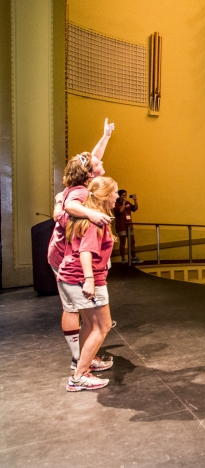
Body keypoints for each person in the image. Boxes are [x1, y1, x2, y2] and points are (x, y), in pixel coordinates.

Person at [49, 120, 115, 371]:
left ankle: (83, 360)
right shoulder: (79, 193)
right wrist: (91, 215)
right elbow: (65, 208)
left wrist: (105, 136)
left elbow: (93, 158)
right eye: (97, 164)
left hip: (68, 254)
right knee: (80, 311)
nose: (100, 162)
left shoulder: (81, 183)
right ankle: (79, 362)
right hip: (66, 256)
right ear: (89, 174)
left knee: (90, 317)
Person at [58, 176, 119, 391]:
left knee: (91, 325)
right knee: (102, 326)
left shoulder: (89, 218)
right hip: (82, 278)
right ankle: (78, 376)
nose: (117, 197)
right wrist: (90, 281)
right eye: (115, 192)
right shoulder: (95, 222)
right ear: (104, 196)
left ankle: (83, 363)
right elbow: (85, 251)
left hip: (72, 277)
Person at [114, 190, 141, 264]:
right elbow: (120, 211)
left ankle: (134, 257)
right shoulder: (116, 203)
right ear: (119, 196)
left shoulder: (128, 203)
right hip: (121, 226)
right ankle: (123, 258)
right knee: (123, 242)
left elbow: (135, 208)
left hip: (129, 225)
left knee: (132, 242)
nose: (125, 197)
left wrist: (135, 200)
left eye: (126, 195)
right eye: (123, 195)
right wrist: (123, 203)